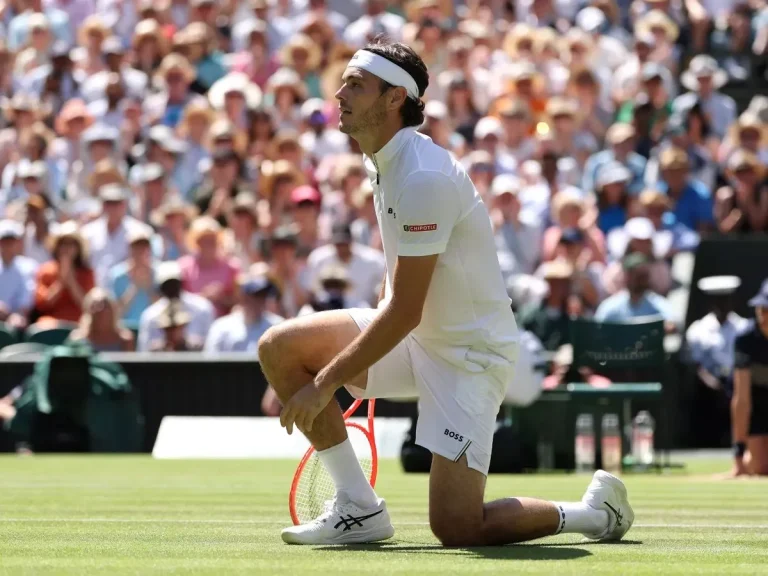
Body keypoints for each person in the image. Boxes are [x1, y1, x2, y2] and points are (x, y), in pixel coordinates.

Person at [258, 40, 633, 547]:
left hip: (469, 357)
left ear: (394, 100)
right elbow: (405, 288)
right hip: (418, 339)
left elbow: (406, 310)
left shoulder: (422, 177)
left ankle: (595, 514)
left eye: (357, 85)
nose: (340, 93)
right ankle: (357, 507)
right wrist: (350, 355)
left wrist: (327, 382)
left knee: (457, 528)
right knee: (281, 348)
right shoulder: (385, 162)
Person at [731, 280, 768, 476]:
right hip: (759, 406)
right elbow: (742, 399)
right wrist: (739, 451)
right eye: (761, 308)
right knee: (760, 468)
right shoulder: (745, 340)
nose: (763, 314)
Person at [204, 272, 283, 353]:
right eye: (256, 295)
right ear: (243, 297)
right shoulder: (221, 327)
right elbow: (211, 359)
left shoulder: (277, 326)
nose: (260, 300)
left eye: (263, 295)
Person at [69, 287, 135, 351]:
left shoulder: (125, 340)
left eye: (105, 305)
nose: (101, 309)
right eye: (95, 305)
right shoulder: (77, 340)